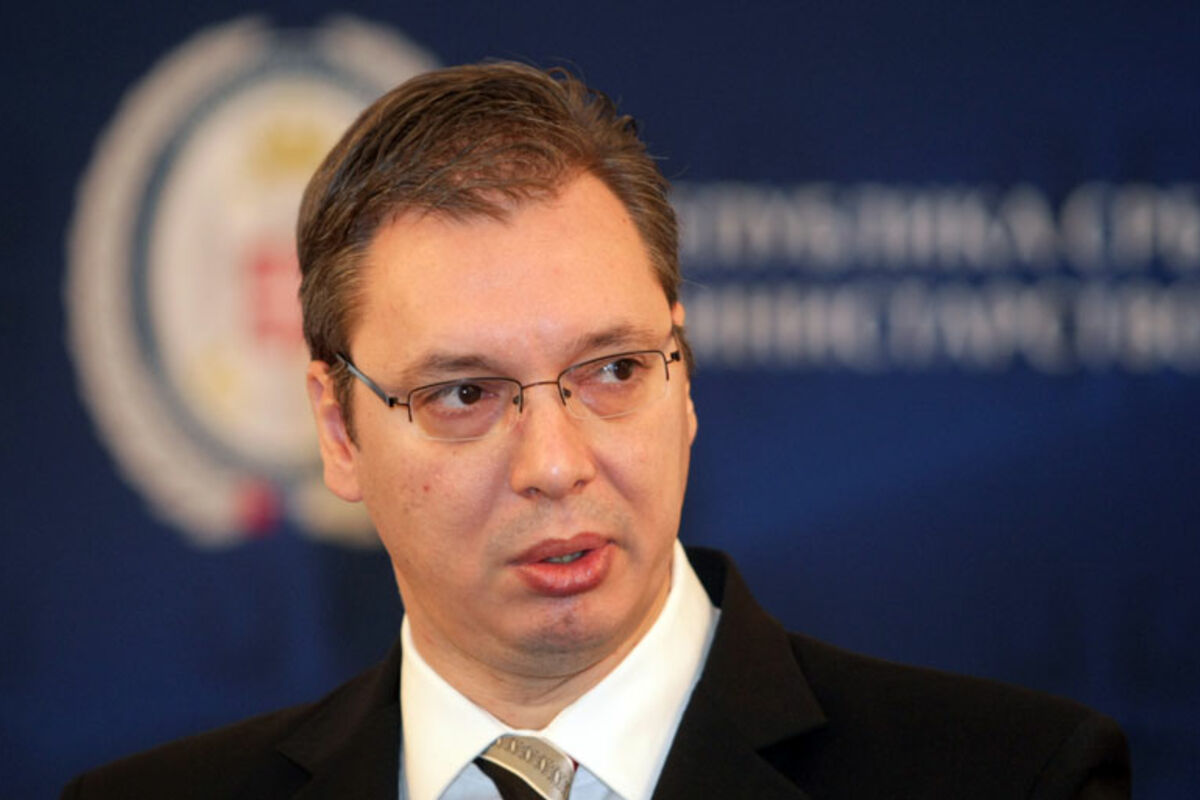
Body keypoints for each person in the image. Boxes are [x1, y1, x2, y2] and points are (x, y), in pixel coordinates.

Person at [63, 61, 1130, 799]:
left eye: (613, 370)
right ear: (339, 432)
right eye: (464, 394)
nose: (555, 464)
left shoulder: (1012, 776)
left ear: (685, 375)